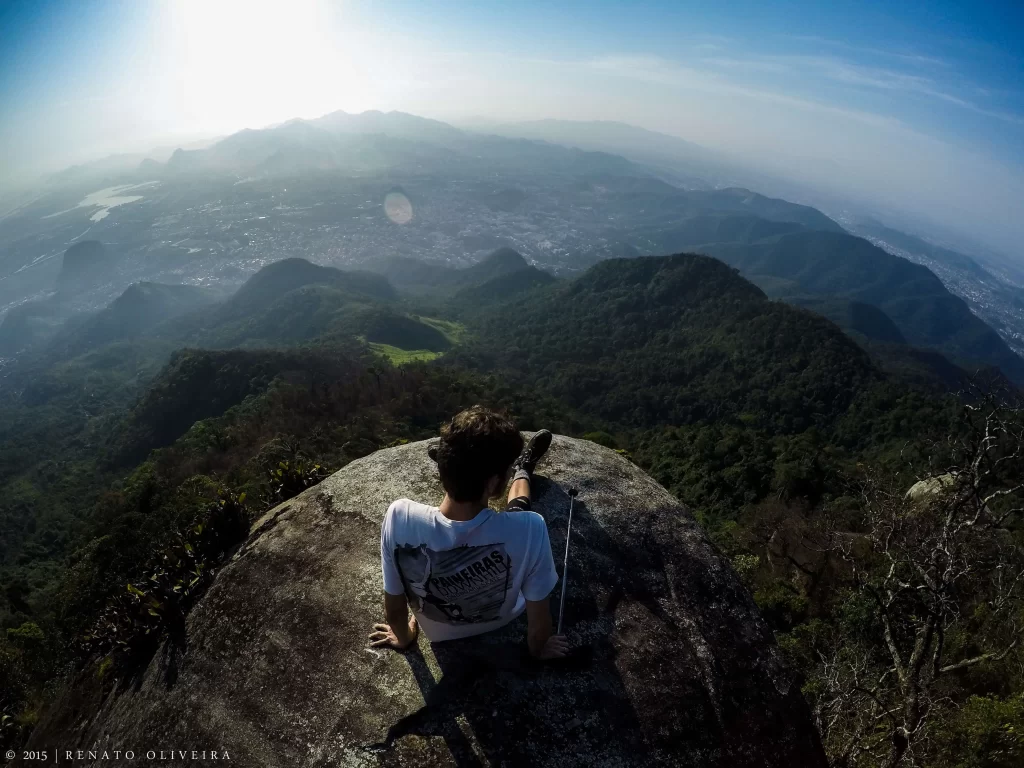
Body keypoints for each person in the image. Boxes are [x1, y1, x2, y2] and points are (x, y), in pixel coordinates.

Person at [368, 406, 568, 660]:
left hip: (440, 635)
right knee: (518, 509)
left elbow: (395, 612)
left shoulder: (399, 517)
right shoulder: (531, 529)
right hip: (501, 620)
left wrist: (405, 638)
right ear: (494, 483)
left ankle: (474, 467)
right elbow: (539, 625)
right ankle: (522, 470)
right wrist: (539, 650)